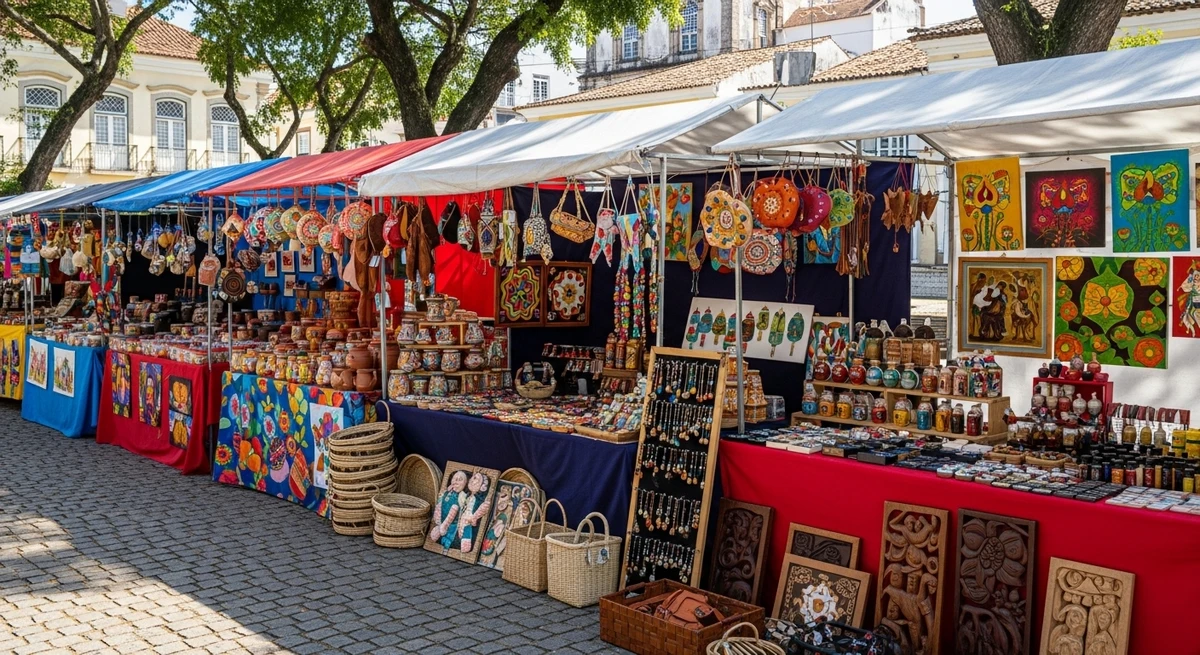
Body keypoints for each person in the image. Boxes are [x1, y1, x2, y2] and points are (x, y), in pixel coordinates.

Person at [429, 471, 467, 551]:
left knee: (448, 539)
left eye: (460, 479)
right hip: (441, 521)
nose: (456, 480)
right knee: (438, 537)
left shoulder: (462, 496)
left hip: (452, 526)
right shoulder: (447, 492)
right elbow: (439, 504)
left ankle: (446, 549)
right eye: (454, 478)